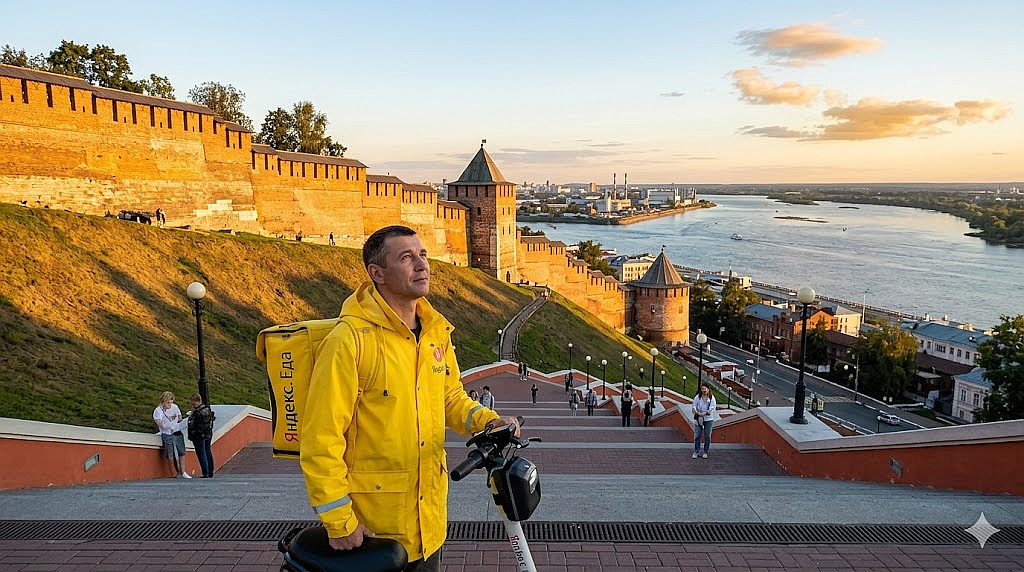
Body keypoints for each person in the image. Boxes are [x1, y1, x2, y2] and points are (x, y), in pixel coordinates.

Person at [300, 225, 518, 570]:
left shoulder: (435, 332)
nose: (422, 264)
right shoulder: (349, 341)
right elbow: (320, 439)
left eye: (423, 255)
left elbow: (449, 397)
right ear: (377, 273)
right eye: (406, 257)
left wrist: (487, 421)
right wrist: (339, 521)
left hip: (428, 525)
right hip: (374, 531)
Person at [153, 391, 190, 479]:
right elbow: (159, 423)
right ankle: (173, 472)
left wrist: (178, 421)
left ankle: (183, 471)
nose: (170, 405)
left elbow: (179, 417)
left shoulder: (175, 407)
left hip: (176, 431)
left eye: (171, 402)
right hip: (167, 433)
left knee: (181, 451)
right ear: (163, 401)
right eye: (168, 403)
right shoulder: (158, 411)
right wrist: (167, 426)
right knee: (170, 452)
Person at [186, 393, 216, 478]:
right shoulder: (207, 409)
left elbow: (195, 425)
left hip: (199, 435)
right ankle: (210, 472)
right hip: (208, 433)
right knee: (208, 451)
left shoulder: (197, 413)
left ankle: (205, 472)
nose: (192, 405)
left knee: (201, 454)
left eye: (193, 403)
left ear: (196, 401)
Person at [692, 383, 717, 459]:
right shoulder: (698, 397)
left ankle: (705, 451)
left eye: (705, 389)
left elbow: (712, 408)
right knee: (697, 435)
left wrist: (706, 413)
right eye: (702, 389)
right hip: (699, 418)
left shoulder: (711, 398)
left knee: (707, 436)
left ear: (708, 390)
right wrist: (697, 412)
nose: (704, 390)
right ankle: (696, 451)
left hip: (708, 419)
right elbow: (694, 406)